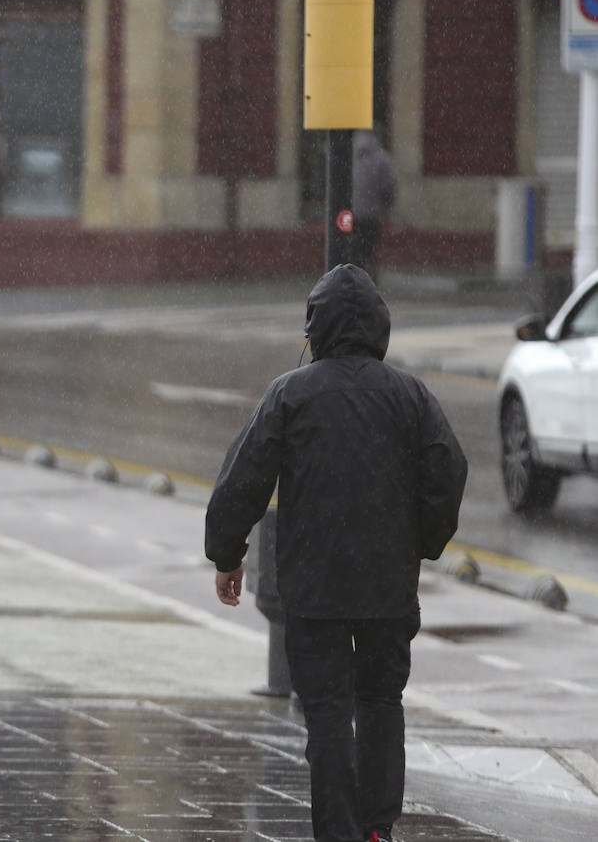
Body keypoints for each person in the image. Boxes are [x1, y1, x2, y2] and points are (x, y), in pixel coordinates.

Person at [204, 264, 467, 842]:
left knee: (325, 711)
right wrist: (424, 542)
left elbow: (242, 478)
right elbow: (448, 471)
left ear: (314, 329)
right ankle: (377, 828)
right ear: (380, 326)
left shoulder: (290, 394)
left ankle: (340, 832)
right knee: (380, 701)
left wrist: (227, 554)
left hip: (313, 585)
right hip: (386, 586)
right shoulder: (410, 396)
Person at [351, 128, 397, 283]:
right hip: (372, 214)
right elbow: (389, 185)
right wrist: (387, 205)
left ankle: (354, 278)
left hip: (351, 214)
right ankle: (369, 281)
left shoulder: (348, 156)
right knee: (369, 249)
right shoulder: (382, 158)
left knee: (353, 248)